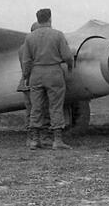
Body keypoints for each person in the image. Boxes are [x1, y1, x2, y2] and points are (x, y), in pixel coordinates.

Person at [21, 8, 74, 150]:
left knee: (36, 107)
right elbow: (68, 56)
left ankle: (34, 140)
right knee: (56, 106)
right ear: (50, 18)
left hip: (36, 74)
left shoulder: (29, 37)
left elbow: (26, 61)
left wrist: (26, 76)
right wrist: (70, 67)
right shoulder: (58, 35)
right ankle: (57, 141)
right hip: (54, 73)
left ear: (37, 19)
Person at [17, 22, 51, 146]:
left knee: (31, 111)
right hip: (36, 82)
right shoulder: (34, 47)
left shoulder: (24, 47)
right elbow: (27, 66)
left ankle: (32, 138)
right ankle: (42, 137)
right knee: (41, 110)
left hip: (28, 83)